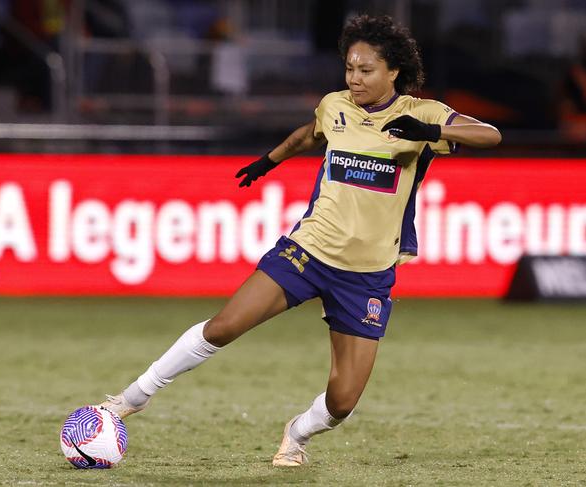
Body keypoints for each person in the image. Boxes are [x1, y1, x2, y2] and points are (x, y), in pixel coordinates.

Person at [99, 14, 501, 467]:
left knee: (343, 401)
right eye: (350, 68)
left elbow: (490, 134)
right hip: (308, 251)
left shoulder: (423, 114)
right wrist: (266, 162)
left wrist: (433, 133)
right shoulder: (336, 105)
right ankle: (131, 398)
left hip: (367, 275)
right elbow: (308, 136)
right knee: (225, 325)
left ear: (394, 72)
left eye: (366, 70)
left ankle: (297, 432)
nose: (355, 78)